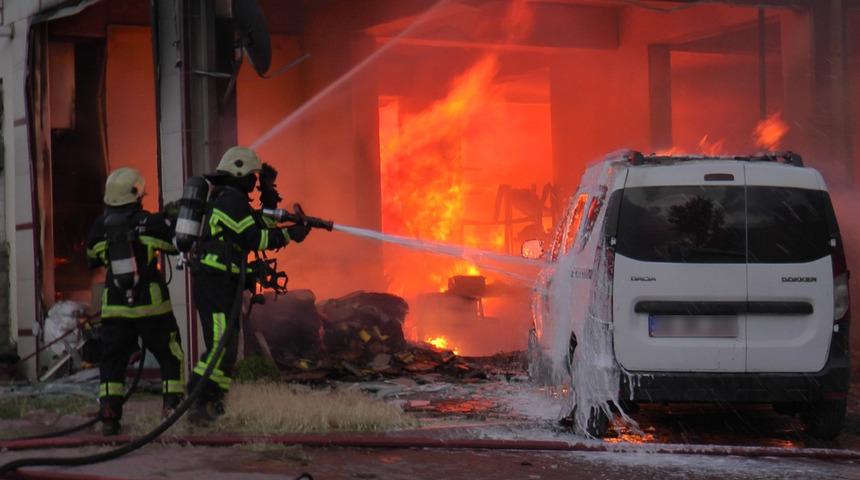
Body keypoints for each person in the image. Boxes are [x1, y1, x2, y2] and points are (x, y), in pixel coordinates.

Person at [187, 146, 311, 423]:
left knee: (228, 347)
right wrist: (292, 235)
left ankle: (211, 404)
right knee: (222, 346)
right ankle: (197, 397)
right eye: (253, 178)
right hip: (215, 284)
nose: (254, 183)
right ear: (240, 172)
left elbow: (259, 223)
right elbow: (255, 238)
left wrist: (270, 197)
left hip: (224, 283)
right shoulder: (229, 200)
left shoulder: (235, 202)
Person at [86, 167, 184, 436]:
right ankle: (171, 408)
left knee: (112, 360)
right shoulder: (147, 222)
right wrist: (171, 219)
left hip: (115, 306)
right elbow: (176, 246)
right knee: (170, 354)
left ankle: (109, 414)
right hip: (151, 305)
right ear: (138, 194)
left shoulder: (98, 227)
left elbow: (91, 257)